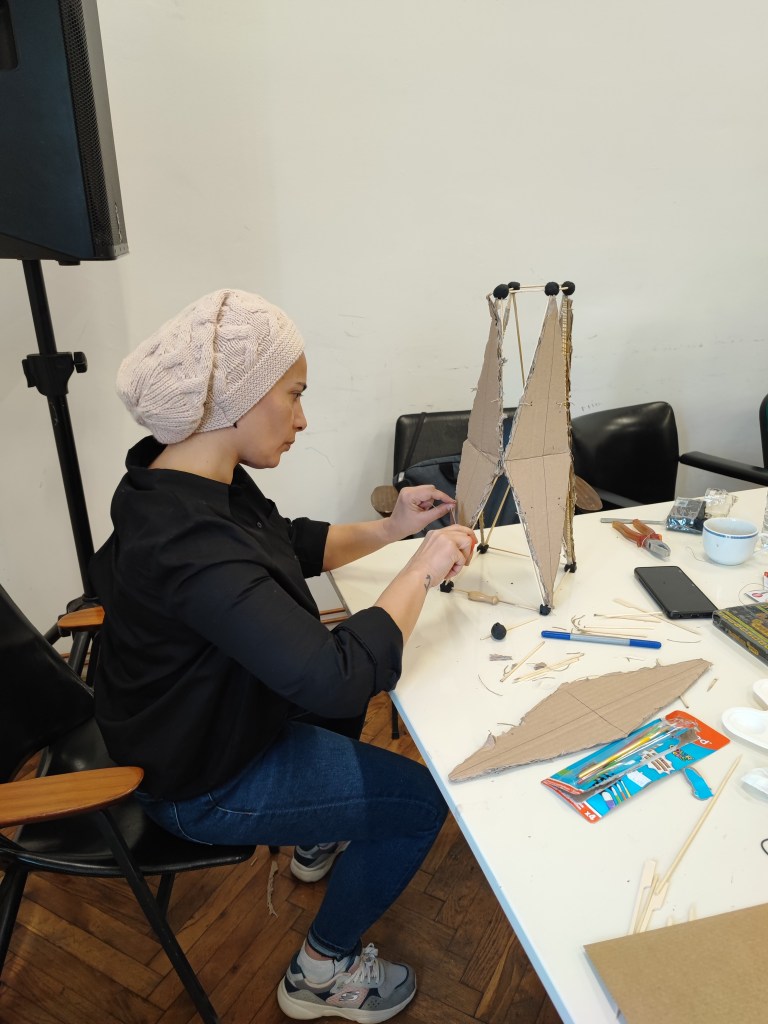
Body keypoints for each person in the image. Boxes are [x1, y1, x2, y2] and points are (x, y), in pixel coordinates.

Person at [90, 288, 475, 1022]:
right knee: (419, 805)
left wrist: (391, 529)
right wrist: (422, 570)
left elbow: (287, 544)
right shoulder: (187, 541)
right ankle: (321, 970)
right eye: (293, 394)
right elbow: (337, 678)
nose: (302, 418)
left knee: (328, 691)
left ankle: (316, 834)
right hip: (199, 780)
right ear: (234, 398)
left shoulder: (179, 479)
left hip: (209, 716)